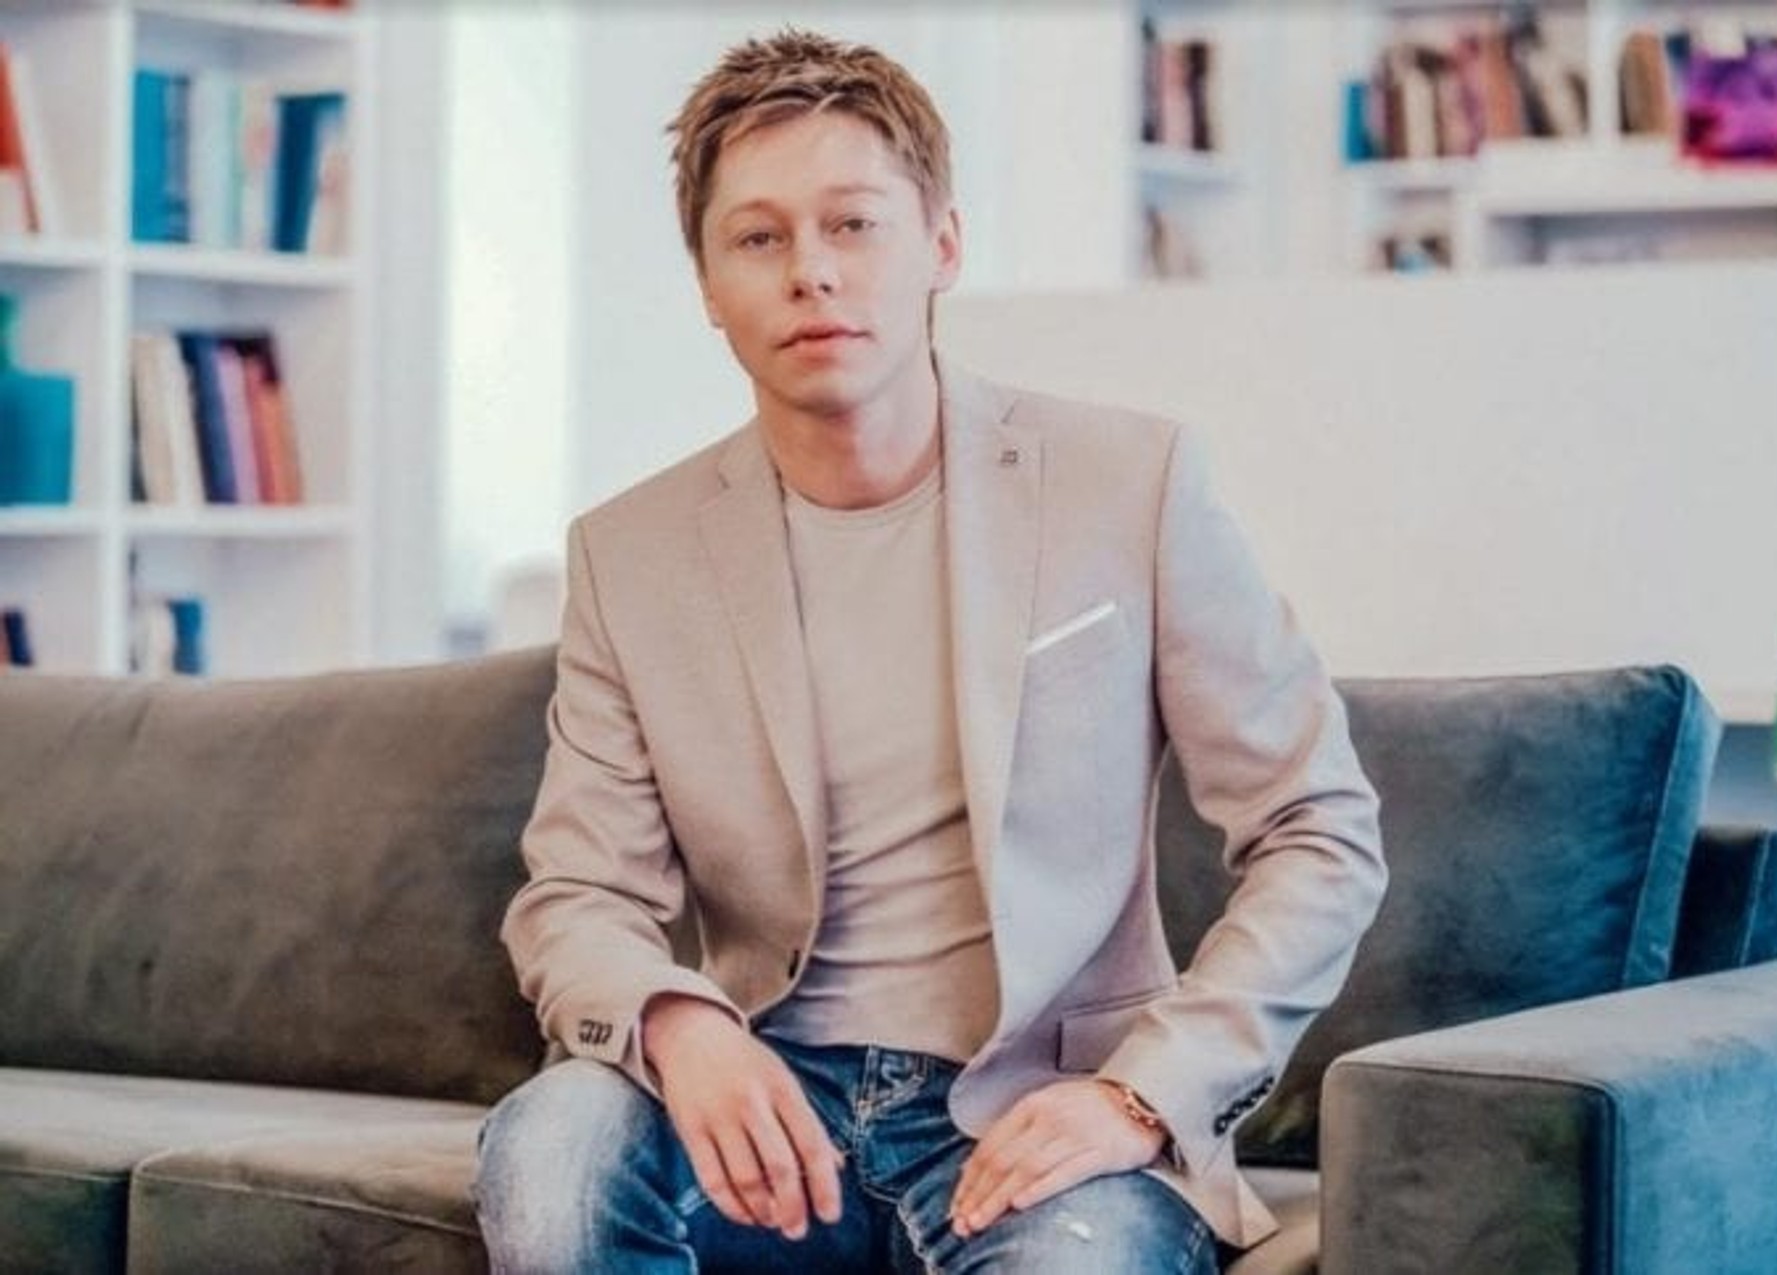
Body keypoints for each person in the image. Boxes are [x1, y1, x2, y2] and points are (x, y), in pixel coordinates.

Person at [475, 27, 1385, 1274]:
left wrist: (1139, 1095)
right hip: (769, 1113)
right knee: (556, 1149)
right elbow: (578, 895)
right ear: (707, 286)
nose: (811, 273)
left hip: (1037, 1116)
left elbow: (1318, 832)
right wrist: (683, 1028)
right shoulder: (628, 554)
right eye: (758, 238)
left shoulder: (1129, 483)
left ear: (942, 244)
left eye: (853, 224)